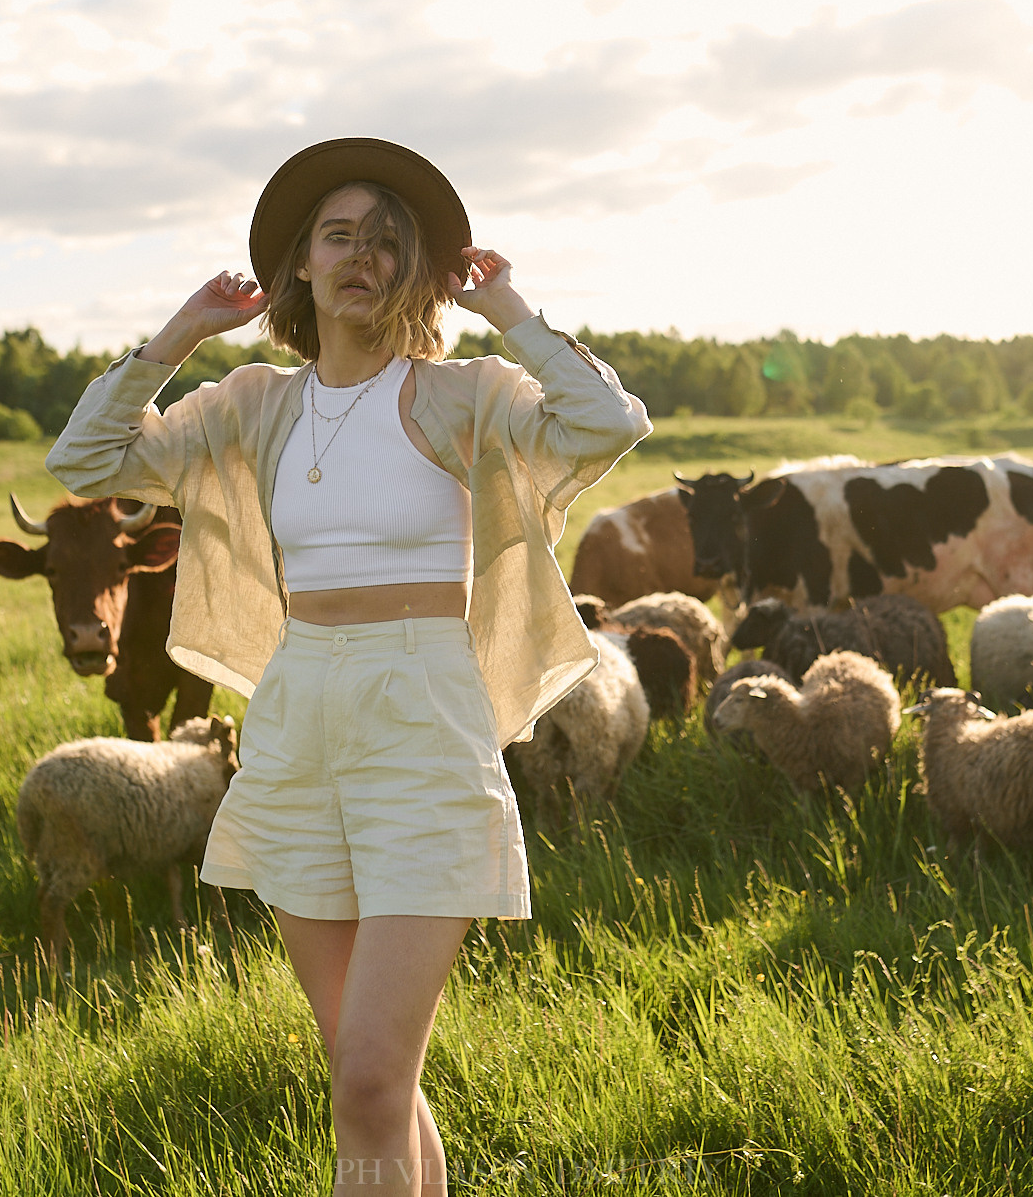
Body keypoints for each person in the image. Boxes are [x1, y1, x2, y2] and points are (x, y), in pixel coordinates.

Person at [45, 137, 650, 1194]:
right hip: (296, 722)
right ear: (301, 267)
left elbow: (608, 419)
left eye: (386, 238)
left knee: (370, 1081)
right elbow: (85, 459)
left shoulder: (467, 393)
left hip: (422, 721)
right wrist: (182, 332)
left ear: (414, 269)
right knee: (367, 1076)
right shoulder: (251, 407)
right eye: (338, 235)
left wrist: (510, 309)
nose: (361, 254)